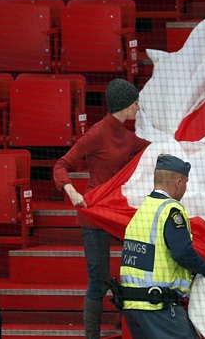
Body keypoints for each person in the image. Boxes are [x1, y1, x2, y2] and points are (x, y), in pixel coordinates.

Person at [53, 78, 151, 338]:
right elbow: (60, 165)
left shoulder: (127, 136)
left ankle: (132, 325)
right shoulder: (97, 132)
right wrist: (71, 190)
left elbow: (155, 151)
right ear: (124, 105)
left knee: (137, 270)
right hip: (94, 212)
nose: (138, 109)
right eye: (136, 104)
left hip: (119, 212)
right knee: (98, 280)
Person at [118, 154, 205, 339]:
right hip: (158, 306)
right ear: (178, 181)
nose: (185, 189)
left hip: (133, 306)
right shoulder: (171, 210)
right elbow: (182, 252)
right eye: (186, 183)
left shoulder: (144, 210)